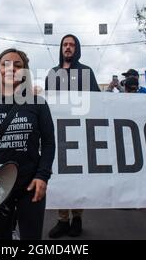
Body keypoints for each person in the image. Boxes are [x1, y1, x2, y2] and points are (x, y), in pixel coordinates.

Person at [0, 48, 55, 240]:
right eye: (5, 64)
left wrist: (43, 176)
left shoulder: (38, 103)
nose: (11, 69)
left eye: (18, 65)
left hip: (30, 184)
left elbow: (49, 143)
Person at [45, 34, 100, 238]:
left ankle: (77, 218)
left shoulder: (86, 72)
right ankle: (62, 220)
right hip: (58, 133)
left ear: (77, 49)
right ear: (61, 48)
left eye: (72, 45)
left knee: (77, 176)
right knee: (59, 175)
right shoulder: (52, 73)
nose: (68, 47)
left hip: (81, 131)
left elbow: (96, 100)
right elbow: (49, 103)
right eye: (65, 44)